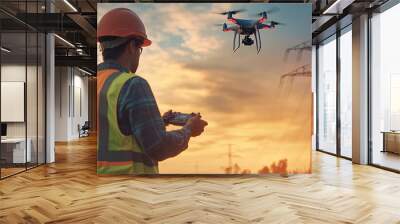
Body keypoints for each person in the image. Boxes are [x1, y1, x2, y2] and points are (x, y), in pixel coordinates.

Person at [97, 8, 208, 174]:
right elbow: (159, 146)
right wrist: (189, 130)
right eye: (140, 48)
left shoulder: (97, 81)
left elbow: (115, 129)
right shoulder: (133, 85)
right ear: (131, 46)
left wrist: (159, 122)